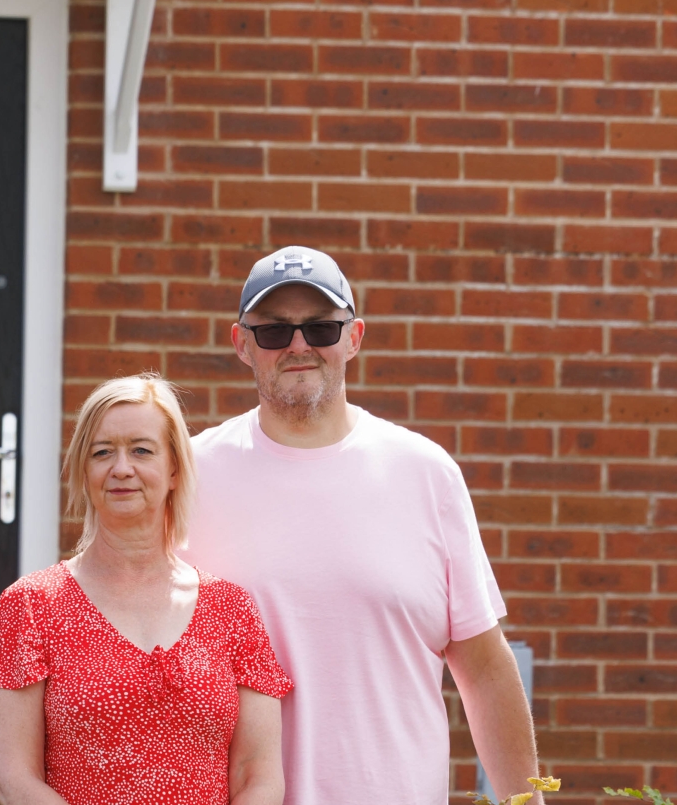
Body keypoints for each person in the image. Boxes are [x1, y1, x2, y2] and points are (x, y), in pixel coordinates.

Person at [182, 245, 542, 805]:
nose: (299, 346)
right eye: (274, 332)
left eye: (321, 327)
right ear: (241, 345)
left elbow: (485, 670)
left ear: (354, 337)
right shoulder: (191, 475)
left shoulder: (425, 473)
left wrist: (527, 801)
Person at [0, 374, 292, 805]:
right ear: (85, 469)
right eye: (103, 452)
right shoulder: (30, 606)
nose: (121, 468)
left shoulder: (231, 608)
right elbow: (10, 776)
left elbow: (258, 775)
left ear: (174, 469)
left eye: (141, 450)